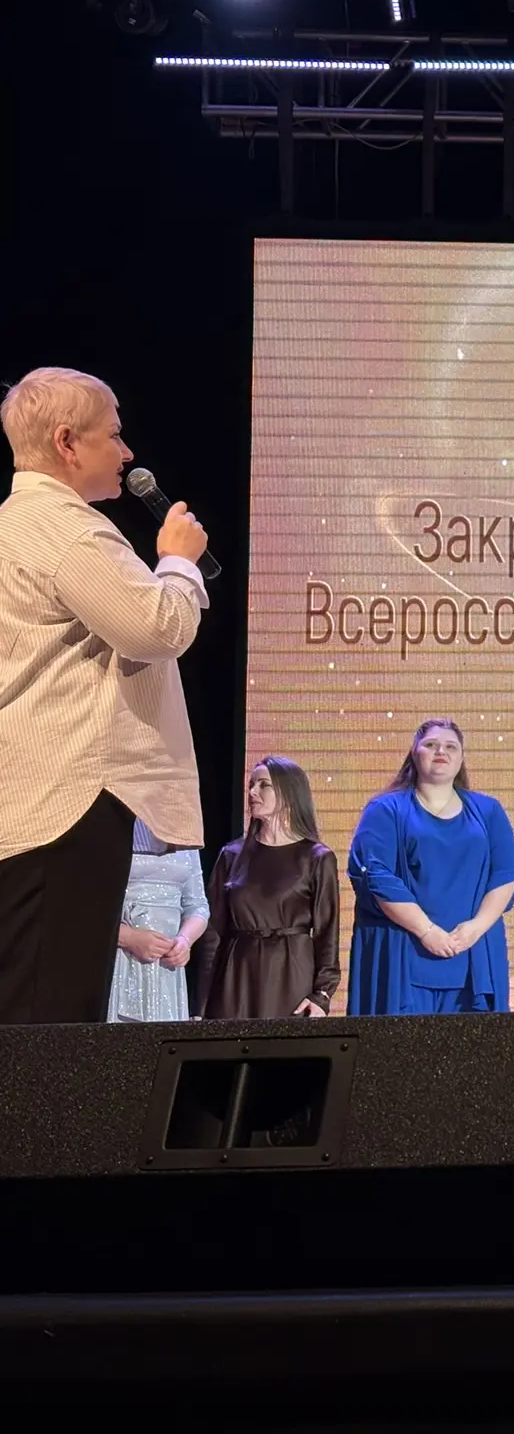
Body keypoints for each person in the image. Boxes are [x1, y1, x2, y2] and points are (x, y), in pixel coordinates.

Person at [0, 367, 209, 1023]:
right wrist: (178, 561)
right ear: (67, 442)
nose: (126, 451)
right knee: (52, 1019)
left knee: (36, 1004)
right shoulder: (66, 528)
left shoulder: (18, 522)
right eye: (113, 436)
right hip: (69, 798)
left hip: (38, 793)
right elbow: (157, 628)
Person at [346, 719, 514, 1015]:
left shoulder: (489, 811)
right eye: (431, 744)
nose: (441, 751)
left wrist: (476, 928)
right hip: (403, 959)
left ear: (462, 758)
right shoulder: (385, 810)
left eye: (451, 746)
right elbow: (378, 876)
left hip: (472, 959)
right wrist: (427, 932)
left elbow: (505, 874)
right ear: (414, 753)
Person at [196, 757, 340, 1019]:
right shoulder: (232, 855)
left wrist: (322, 995)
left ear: (289, 793)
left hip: (290, 976)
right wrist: (200, 1006)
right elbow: (213, 933)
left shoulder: (316, 858)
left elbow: (327, 933)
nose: (252, 792)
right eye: (251, 785)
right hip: (236, 977)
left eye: (263, 785)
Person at [106, 819, 207, 1023]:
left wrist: (185, 941)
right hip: (118, 959)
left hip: (166, 966)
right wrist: (129, 938)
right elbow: (84, 908)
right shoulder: (113, 823)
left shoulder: (184, 828)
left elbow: (198, 906)